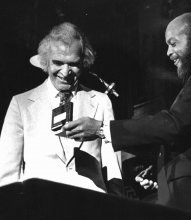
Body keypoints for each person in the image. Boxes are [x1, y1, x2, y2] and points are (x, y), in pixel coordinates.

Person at [60, 12, 191, 218]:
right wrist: (160, 168)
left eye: (173, 43)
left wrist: (101, 128)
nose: (168, 52)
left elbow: (175, 124)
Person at [0, 22, 123, 195]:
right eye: (58, 62)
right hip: (40, 207)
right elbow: (7, 175)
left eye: (73, 64)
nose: (65, 72)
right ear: (45, 61)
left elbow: (112, 166)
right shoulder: (20, 104)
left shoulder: (102, 102)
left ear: (84, 62)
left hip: (92, 207)